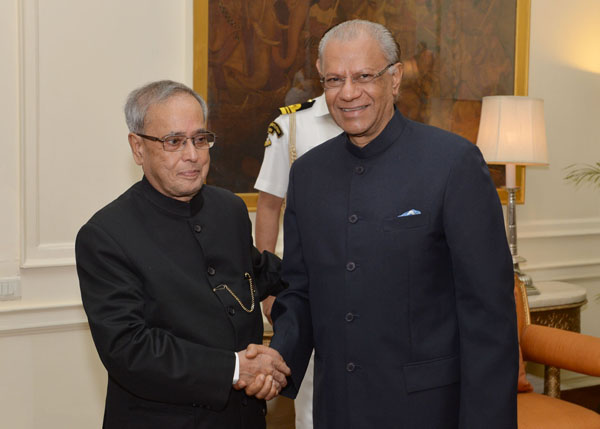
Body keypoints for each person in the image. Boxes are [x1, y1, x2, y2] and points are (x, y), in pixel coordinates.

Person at [269, 20, 519, 428]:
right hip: (337, 408)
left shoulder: (453, 163)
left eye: (364, 76)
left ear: (395, 78)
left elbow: (488, 316)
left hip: (427, 411)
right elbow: (299, 290)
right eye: (334, 79)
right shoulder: (308, 174)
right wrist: (279, 357)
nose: (348, 93)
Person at [75, 80, 290, 429]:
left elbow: (255, 274)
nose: (192, 154)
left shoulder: (228, 209)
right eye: (174, 141)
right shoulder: (105, 236)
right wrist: (237, 368)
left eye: (200, 139)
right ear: (138, 148)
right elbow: (130, 349)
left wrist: (333, 265)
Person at [255, 93, 342, 429]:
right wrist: (268, 288)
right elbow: (268, 206)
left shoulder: (384, 119)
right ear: (321, 66)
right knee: (312, 405)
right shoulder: (290, 124)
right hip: (312, 291)